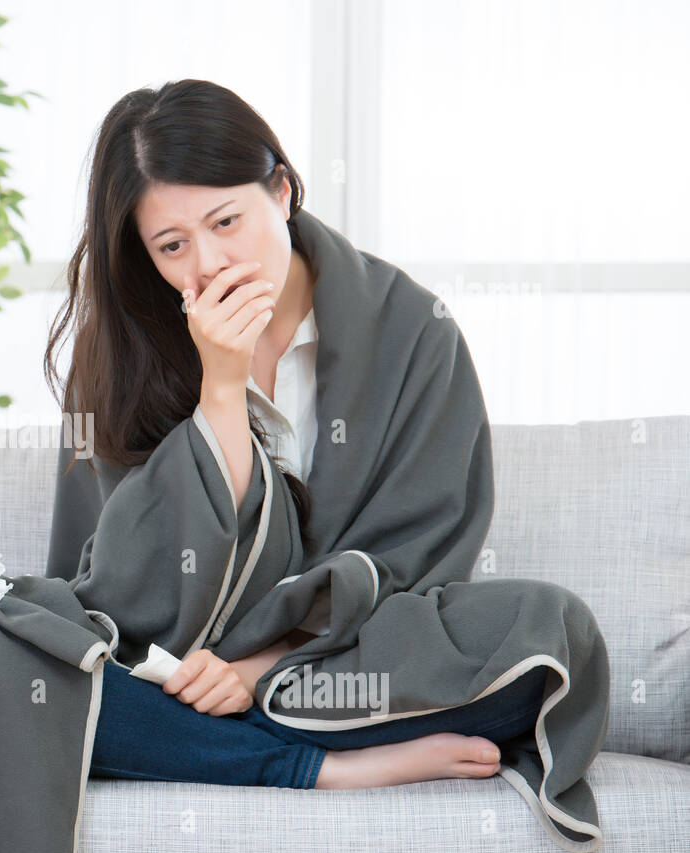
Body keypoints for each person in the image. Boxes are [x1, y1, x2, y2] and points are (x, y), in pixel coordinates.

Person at [42, 78, 550, 792]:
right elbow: (119, 595)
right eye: (172, 244)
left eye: (226, 223)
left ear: (280, 191)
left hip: (339, 668)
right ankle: (330, 765)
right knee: (13, 677)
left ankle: (224, 739)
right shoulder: (119, 356)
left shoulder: (411, 330)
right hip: (179, 676)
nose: (208, 264)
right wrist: (219, 387)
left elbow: (422, 559)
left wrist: (257, 669)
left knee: (542, 629)